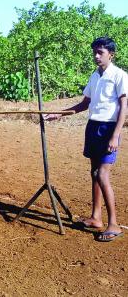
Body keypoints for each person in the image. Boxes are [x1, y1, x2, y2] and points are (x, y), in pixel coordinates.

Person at [45, 37, 127, 242]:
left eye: (100, 52)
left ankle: (114, 224)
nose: (96, 56)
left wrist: (116, 135)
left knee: (102, 174)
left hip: (109, 128)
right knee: (94, 172)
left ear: (111, 54)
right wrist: (60, 114)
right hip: (93, 127)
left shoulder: (119, 76)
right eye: (95, 52)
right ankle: (96, 218)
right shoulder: (95, 76)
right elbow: (84, 103)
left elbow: (124, 107)